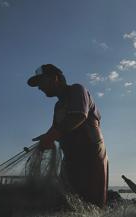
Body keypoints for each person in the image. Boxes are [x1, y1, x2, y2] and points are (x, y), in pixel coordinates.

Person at [27, 64, 108, 207]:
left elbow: (78, 116)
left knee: (93, 204)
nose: (39, 87)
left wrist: (51, 136)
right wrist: (46, 138)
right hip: (70, 159)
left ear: (55, 78)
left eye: (41, 82)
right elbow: (55, 129)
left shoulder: (77, 89)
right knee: (66, 202)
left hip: (91, 157)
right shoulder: (58, 106)